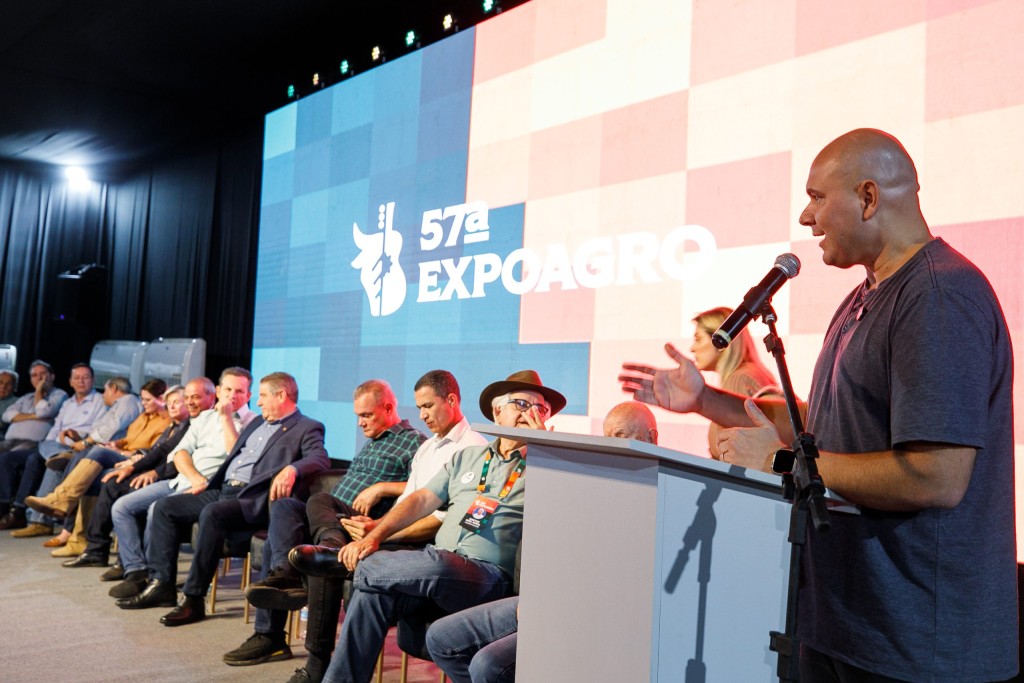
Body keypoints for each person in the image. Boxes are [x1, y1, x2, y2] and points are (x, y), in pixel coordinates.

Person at [620, 129, 1017, 682]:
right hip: (847, 624)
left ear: (868, 197)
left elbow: (937, 476)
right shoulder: (863, 297)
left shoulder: (938, 295)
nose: (806, 218)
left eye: (817, 197)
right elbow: (821, 423)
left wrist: (780, 462)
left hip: (917, 647)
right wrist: (706, 399)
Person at [304, 370, 565, 683]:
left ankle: (344, 564)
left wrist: (546, 452)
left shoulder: (548, 468)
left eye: (540, 409)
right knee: (373, 592)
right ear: (497, 412)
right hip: (440, 568)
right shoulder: (468, 457)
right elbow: (420, 500)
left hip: (488, 576)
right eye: (522, 404)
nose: (531, 413)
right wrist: (374, 536)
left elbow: (561, 514)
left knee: (438, 562)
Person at [225, 370, 487, 669]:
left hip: (417, 542)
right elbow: (410, 500)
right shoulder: (428, 448)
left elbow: (444, 516)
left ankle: (314, 663)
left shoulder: (470, 448)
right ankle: (292, 576)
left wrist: (379, 529)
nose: (422, 415)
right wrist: (376, 528)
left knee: (324, 559)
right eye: (419, 408)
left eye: (428, 406)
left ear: (451, 400)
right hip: (364, 523)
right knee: (295, 508)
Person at [425, 401, 658, 683]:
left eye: (620, 436)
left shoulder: (659, 494)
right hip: (550, 597)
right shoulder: (597, 484)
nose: (612, 446)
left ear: (651, 437)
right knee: (441, 637)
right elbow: (559, 547)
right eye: (607, 437)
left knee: (487, 665)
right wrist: (538, 594)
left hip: (592, 611)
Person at [118, 371, 330, 622]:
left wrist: (292, 468)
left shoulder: (306, 426)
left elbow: (320, 458)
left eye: (262, 396)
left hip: (251, 497)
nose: (258, 402)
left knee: (213, 514)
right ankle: (162, 584)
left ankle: (193, 599)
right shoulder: (257, 423)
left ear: (281, 395)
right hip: (223, 489)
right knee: (165, 507)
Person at [107, 368, 254, 601]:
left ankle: (158, 580)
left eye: (239, 391)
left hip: (211, 489)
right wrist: (194, 476)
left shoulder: (252, 423)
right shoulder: (204, 418)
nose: (232, 396)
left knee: (157, 509)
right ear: (218, 391)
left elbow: (234, 455)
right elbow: (179, 453)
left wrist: (226, 417)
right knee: (122, 507)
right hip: (183, 480)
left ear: (248, 395)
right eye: (228, 389)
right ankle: (137, 571)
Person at [63, 380, 214, 575]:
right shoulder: (181, 424)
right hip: (158, 471)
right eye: (185, 398)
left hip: (176, 479)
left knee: (117, 481)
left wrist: (149, 470)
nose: (184, 403)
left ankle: (129, 563)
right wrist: (132, 466)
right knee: (110, 479)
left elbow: (175, 459)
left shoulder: (200, 423)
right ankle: (98, 550)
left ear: (212, 397)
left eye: (190, 399)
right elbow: (162, 450)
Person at [26, 375, 144, 554]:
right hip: (110, 449)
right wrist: (82, 439)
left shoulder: (128, 400)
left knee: (85, 457)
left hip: (119, 455)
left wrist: (86, 442)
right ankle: (70, 528)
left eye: (105, 390)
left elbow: (112, 428)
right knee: (79, 464)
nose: (103, 395)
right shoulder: (125, 408)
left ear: (114, 389)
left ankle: (63, 513)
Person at [25, 378, 169, 520]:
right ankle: (64, 509)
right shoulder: (144, 416)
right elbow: (128, 439)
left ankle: (62, 500)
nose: (143, 403)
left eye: (147, 400)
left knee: (95, 452)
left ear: (161, 399)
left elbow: (151, 452)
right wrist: (115, 444)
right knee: (88, 453)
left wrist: (120, 451)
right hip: (121, 452)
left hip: (133, 459)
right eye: (142, 399)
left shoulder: (165, 421)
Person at [0, 363, 105, 534]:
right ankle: (57, 455)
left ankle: (37, 520)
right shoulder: (69, 403)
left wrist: (74, 439)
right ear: (70, 381)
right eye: (77, 378)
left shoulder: (99, 401)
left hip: (80, 444)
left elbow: (97, 430)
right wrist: (53, 443)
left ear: (93, 380)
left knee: (40, 460)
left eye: (85, 377)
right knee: (49, 453)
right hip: (56, 445)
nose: (81, 381)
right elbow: (56, 428)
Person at [689, 306, 779, 458]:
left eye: (698, 339)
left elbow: (737, 456)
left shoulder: (739, 379)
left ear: (720, 340)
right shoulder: (751, 374)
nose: (692, 348)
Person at [0, 361, 67, 520]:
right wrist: (35, 416)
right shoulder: (26, 398)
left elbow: (44, 411)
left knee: (6, 459)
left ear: (52, 376)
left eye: (43, 374)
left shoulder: (59, 395)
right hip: (9, 441)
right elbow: (7, 416)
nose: (39, 378)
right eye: (35, 375)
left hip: (33, 444)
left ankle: (4, 506)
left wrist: (39, 391)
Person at [0, 369, 18, 438]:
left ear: (14, 387)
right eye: (0, 382)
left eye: (9, 384)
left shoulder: (18, 402)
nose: (3, 386)